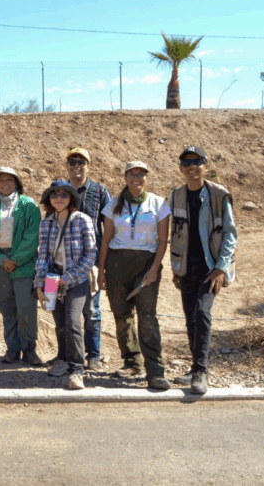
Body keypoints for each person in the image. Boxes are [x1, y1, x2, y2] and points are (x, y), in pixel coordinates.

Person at [169, 146, 238, 395]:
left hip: (211, 268)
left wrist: (220, 268)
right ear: (181, 168)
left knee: (201, 313)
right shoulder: (177, 195)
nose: (192, 167)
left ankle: (201, 370)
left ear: (205, 166)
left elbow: (230, 233)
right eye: (187, 163)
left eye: (197, 161)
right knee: (190, 318)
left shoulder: (219, 194)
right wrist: (176, 267)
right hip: (187, 267)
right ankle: (194, 368)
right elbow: (176, 233)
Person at [97, 161, 171, 390]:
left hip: (146, 263)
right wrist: (101, 271)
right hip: (117, 264)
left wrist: (154, 268)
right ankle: (132, 362)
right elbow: (106, 240)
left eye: (141, 174)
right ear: (125, 177)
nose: (136, 178)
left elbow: (162, 241)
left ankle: (155, 372)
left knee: (147, 317)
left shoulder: (158, 203)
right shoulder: (113, 204)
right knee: (122, 315)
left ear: (146, 177)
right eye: (132, 174)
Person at [34, 180, 97, 390]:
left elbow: (90, 255)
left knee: (73, 322)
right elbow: (43, 256)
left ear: (71, 198)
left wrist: (68, 278)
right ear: (48, 200)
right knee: (59, 322)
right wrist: (39, 285)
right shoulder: (46, 223)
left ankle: (77, 369)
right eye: (54, 195)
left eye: (64, 194)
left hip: (76, 279)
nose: (59, 198)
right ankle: (62, 359)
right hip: (52, 278)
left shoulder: (82, 220)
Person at [0, 167, 42, 366]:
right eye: (1, 180)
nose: (5, 183)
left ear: (16, 183)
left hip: (23, 263)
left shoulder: (29, 205)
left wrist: (15, 259)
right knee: (7, 308)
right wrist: (1, 260)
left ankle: (29, 349)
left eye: (9, 180)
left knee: (26, 307)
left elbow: (32, 236)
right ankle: (12, 348)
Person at [61, 147, 112, 374]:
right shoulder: (59, 190)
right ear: (67, 166)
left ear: (88, 166)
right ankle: (66, 355)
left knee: (91, 311)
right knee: (63, 310)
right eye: (72, 162)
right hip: (62, 261)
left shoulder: (100, 191)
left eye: (81, 162)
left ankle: (93, 356)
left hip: (91, 261)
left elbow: (109, 228)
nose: (76, 166)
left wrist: (104, 264)